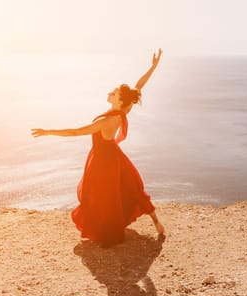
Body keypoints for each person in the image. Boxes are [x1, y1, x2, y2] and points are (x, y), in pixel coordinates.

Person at [31, 49, 165, 247]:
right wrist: (153, 67)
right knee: (131, 187)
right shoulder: (123, 111)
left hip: (103, 161)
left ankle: (111, 230)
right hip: (114, 155)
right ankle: (156, 222)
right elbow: (138, 86)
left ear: (119, 100)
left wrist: (48, 131)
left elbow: (76, 132)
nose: (110, 93)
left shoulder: (108, 120)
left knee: (102, 196)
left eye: (114, 93)